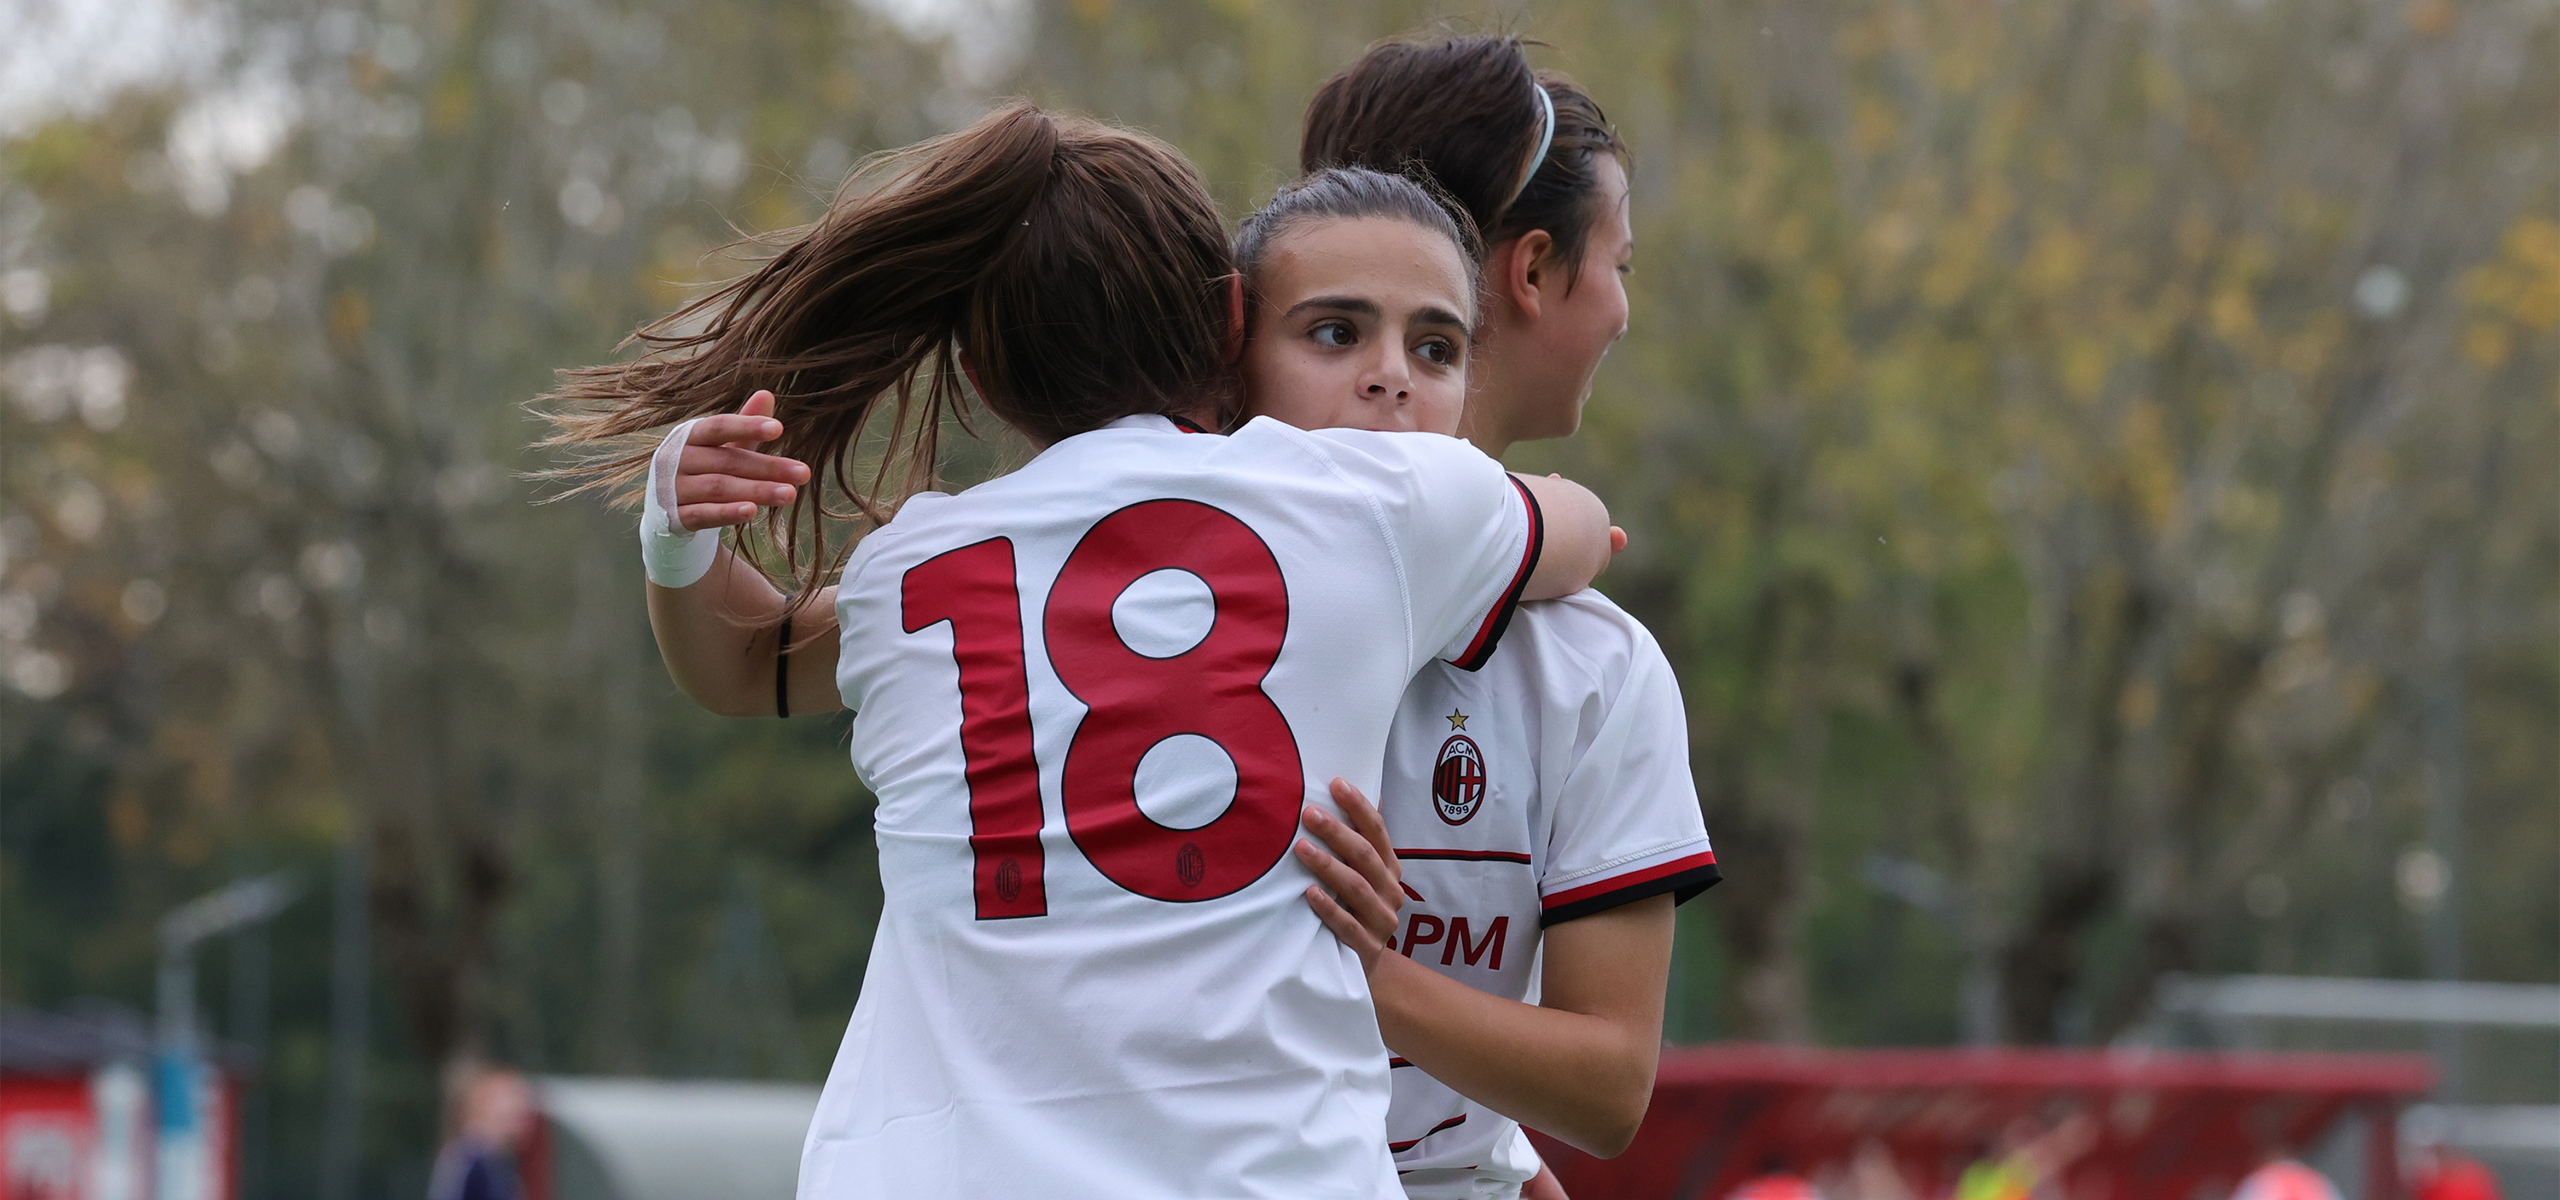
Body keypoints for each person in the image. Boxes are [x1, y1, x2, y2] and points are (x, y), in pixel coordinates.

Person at [540, 106, 1617, 1199]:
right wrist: (1531, 514)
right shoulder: (1383, 508)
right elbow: (1573, 529)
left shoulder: (912, 571)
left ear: (977, 370)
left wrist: (675, 530)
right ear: (1228, 323)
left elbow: (735, 664)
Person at [1286, 34, 1718, 1200]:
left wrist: (1494, 1146)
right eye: (1620, 262)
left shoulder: (1592, 656)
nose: (1624, 308)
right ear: (1531, 271)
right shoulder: (1181, 578)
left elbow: (1603, 1082)